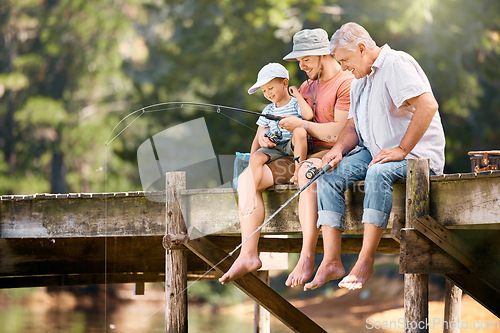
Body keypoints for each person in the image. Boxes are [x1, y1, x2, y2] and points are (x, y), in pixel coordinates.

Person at [308, 22, 445, 291]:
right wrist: (336, 150)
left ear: (361, 48)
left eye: (345, 60)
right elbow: (351, 127)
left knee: (378, 173)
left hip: (415, 156)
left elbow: (428, 105)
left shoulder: (396, 63)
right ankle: (332, 260)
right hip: (374, 152)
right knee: (329, 175)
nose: (343, 67)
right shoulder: (359, 80)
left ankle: (365, 259)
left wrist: (402, 150)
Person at [219, 28, 354, 286]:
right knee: (250, 178)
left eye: (305, 59)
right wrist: (268, 140)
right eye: (298, 61)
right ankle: (248, 254)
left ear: (322, 53)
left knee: (305, 172)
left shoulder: (345, 82)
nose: (300, 66)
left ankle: (306, 258)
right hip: (295, 153)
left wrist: (300, 127)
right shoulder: (304, 86)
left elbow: (339, 134)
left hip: (329, 153)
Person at [242, 63, 313, 216]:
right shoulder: (268, 110)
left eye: (271, 88)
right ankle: (251, 195)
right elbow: (257, 137)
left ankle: (297, 170)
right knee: (256, 158)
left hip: (291, 145)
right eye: (264, 91)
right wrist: (251, 160)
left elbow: (308, 116)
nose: (268, 93)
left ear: (285, 83)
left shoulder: (295, 103)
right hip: (275, 146)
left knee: (300, 131)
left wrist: (298, 95)